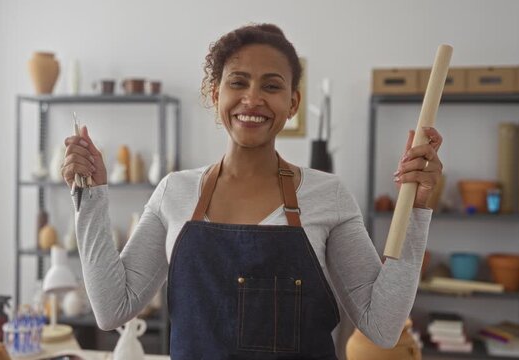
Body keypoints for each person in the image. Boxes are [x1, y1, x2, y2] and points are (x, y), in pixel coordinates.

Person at [62, 23, 443, 359]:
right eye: (238, 82)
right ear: (215, 94)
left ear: (292, 103)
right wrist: (90, 197)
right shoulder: (173, 192)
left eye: (272, 86)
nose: (252, 98)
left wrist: (417, 210)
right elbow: (112, 308)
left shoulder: (329, 195)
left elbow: (382, 326)